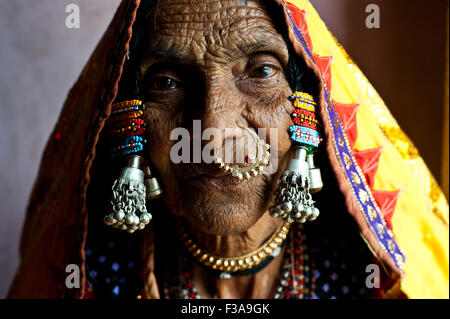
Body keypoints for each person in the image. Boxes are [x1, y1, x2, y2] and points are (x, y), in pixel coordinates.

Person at [8, 0, 448, 299]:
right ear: (127, 113)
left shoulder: (365, 274)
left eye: (260, 72)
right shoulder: (90, 273)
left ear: (313, 104)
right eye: (166, 82)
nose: (215, 133)